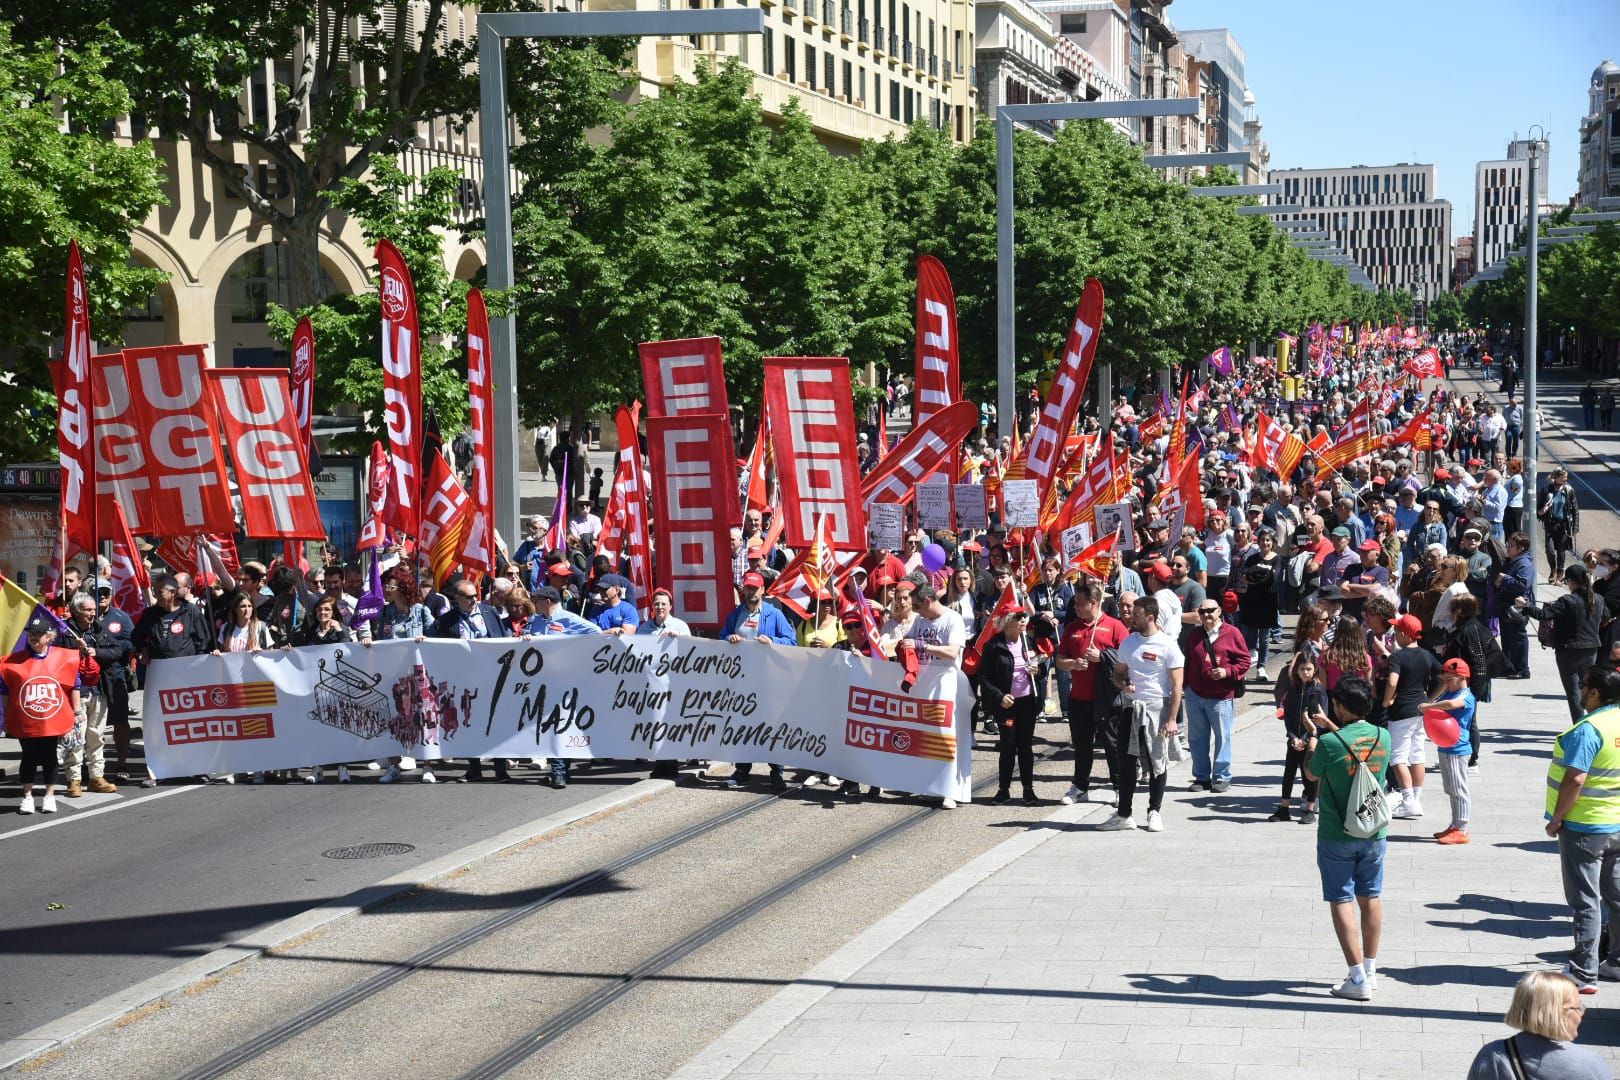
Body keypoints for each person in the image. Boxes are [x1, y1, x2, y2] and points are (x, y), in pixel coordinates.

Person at [1304, 674, 1389, 1002]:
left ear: (1340, 707)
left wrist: (1315, 738)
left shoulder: (1328, 743)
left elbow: (1312, 772)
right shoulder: (1383, 736)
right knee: (1371, 897)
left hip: (1336, 833)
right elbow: (1358, 750)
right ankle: (1370, 969)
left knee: (1341, 899)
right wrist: (1333, 727)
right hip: (1374, 831)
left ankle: (1356, 978)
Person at [1545, 666, 1620, 994]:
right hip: (1616, 824)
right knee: (1615, 897)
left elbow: (1575, 778)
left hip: (1585, 827)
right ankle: (1616, 961)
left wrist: (1557, 818)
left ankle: (1583, 971)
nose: (1579, 689)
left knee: (1585, 899)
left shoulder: (1588, 729)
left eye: (1584, 685)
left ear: (1595, 694)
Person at [1099, 596, 1183, 834]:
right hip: (1132, 709)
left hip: (1158, 708)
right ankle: (1124, 814)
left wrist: (1171, 719)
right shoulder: (1129, 642)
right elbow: (1117, 674)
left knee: (1157, 761)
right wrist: (1123, 684)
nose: (1131, 618)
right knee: (1126, 762)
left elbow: (1177, 686)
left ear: (1150, 617)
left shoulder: (1168, 645)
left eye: (1136, 615)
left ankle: (1154, 811)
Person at [1055, 581, 1128, 806]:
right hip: (1079, 698)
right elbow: (1059, 659)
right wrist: (1072, 664)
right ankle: (1080, 786)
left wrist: (1103, 655)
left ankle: (1119, 787)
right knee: (1081, 745)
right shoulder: (1072, 628)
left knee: (1112, 745)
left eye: (1079, 603)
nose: (1075, 607)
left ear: (1094, 603)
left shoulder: (1115, 626)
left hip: (1106, 699)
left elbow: (1128, 660)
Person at [432, 578, 511, 783]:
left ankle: (500, 769)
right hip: (464, 680)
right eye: (469, 597)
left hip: (491, 676)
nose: (474, 599)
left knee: (496, 722)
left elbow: (503, 639)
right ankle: (474, 768)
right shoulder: (447, 621)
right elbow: (439, 647)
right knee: (469, 722)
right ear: (457, 599)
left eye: (475, 595)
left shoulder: (489, 612)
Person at [1, 615, 82, 814]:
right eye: (31, 634)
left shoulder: (63, 657)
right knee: (28, 756)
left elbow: (74, 684)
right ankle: (27, 797)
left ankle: (49, 796)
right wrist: (6, 716)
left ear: (50, 637)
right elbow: (5, 689)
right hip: (25, 719)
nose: (34, 637)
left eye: (39, 634)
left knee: (49, 757)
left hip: (53, 719)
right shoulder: (14, 661)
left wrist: (77, 712)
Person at [1466, 970, 1612, 1079]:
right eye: (1577, 1007)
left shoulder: (1492, 1055)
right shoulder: (1590, 1064)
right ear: (1556, 1013)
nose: (1581, 1013)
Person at [1182, 596, 1251, 793]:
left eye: (1210, 611)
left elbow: (1245, 661)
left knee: (1222, 737)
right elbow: (1188, 660)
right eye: (1202, 612)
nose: (1206, 615)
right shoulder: (1195, 634)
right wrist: (1185, 686)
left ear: (1219, 611)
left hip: (1220, 696)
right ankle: (1201, 777)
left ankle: (1221, 777)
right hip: (1195, 694)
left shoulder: (1233, 633)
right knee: (1197, 738)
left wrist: (1226, 672)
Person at [1523, 564, 1608, 722]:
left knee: (1574, 691)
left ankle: (1579, 725)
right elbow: (1605, 618)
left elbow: (1544, 615)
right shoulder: (1599, 599)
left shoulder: (1567, 600)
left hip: (1568, 651)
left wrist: (1526, 606)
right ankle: (1594, 722)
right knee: (1590, 689)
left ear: (1571, 581)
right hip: (1591, 650)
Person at [978, 608, 1040, 806]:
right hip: (1007, 704)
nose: (1023, 621)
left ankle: (1028, 789)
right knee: (1008, 746)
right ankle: (1003, 789)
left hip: (1027, 702)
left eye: (1024, 617)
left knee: (1025, 746)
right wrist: (999, 697)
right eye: (1018, 617)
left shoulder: (1028, 641)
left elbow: (1041, 666)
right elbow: (984, 677)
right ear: (1007, 621)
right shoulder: (994, 646)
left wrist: (1037, 669)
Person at [1383, 613, 1439, 820]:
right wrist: (1431, 699)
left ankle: (1408, 801)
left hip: (1401, 711)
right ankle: (1416, 799)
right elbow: (1443, 677)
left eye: (1397, 630)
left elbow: (1392, 682)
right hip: (1420, 709)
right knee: (1417, 755)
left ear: (1406, 635)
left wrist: (1386, 701)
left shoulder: (1397, 657)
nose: (1395, 633)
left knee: (1397, 758)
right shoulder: (1426, 655)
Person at [1425, 657, 1477, 845]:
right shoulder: (1449, 691)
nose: (1446, 683)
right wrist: (1434, 697)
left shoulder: (1465, 696)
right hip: (1445, 746)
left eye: (1449, 679)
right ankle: (1454, 825)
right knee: (1451, 788)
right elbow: (1442, 696)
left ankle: (1462, 829)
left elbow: (1452, 706)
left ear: (1462, 677)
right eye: (1445, 679)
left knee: (1459, 789)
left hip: (1458, 748)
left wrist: (1430, 706)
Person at [1272, 652, 1324, 824]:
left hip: (1310, 739)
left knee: (1309, 774)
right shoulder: (1293, 689)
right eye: (1302, 669)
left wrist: (1305, 738)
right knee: (1289, 772)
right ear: (1297, 670)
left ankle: (1310, 808)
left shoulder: (1316, 690)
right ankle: (1284, 807)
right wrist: (1293, 736)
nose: (1305, 672)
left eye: (1309, 669)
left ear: (1315, 669)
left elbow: (1318, 719)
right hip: (1294, 739)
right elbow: (1288, 716)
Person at [1236, 527, 1281, 678]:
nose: (1265, 543)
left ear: (1273, 542)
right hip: (1251, 601)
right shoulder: (1252, 558)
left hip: (1268, 602)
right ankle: (1246, 665)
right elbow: (1244, 577)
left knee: (1264, 637)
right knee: (1250, 634)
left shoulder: (1277, 559)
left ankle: (1261, 667)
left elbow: (1272, 579)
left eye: (1268, 540)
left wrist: (1255, 576)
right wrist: (1261, 576)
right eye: (1262, 540)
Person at [1540, 469, 1580, 585]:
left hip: (1563, 525)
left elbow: (1575, 509)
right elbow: (1539, 508)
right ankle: (1553, 569)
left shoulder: (1568, 490)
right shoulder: (1547, 489)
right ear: (1556, 477)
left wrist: (1575, 527)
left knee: (1561, 551)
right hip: (1550, 524)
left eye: (1566, 477)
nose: (1565, 479)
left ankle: (1559, 574)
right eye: (1563, 477)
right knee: (1550, 550)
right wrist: (1543, 511)